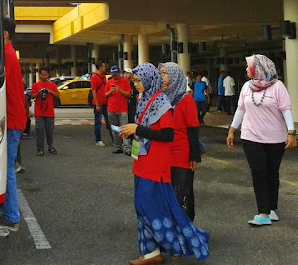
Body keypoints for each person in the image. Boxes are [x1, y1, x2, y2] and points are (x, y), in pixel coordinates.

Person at [120, 63, 210, 264]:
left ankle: (173, 245)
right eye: (134, 80)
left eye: (138, 80)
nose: (135, 84)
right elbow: (145, 128)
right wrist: (131, 130)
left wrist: (137, 130)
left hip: (161, 161)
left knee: (153, 205)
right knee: (148, 206)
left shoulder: (163, 101)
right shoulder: (147, 99)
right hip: (145, 160)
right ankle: (152, 253)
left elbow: (170, 134)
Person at [226, 54, 296, 226]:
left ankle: (271, 209)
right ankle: (263, 212)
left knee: (272, 173)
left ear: (259, 68)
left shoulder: (278, 86)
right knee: (259, 172)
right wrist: (232, 130)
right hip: (251, 136)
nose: (246, 69)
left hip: (275, 137)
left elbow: (286, 110)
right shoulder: (246, 87)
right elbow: (241, 110)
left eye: (248, 66)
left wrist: (291, 132)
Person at [0, 17, 27, 232]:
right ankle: (8, 212)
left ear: (4, 35)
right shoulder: (8, 54)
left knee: (8, 168)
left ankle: (11, 217)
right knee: (7, 167)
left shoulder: (7, 56)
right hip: (13, 118)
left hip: (12, 120)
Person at [159, 62, 202, 221]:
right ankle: (171, 232)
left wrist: (194, 156)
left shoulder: (185, 100)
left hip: (181, 155)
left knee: (181, 194)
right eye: (161, 73)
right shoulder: (161, 97)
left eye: (164, 73)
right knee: (166, 195)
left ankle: (185, 231)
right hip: (164, 154)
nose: (161, 77)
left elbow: (193, 129)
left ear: (174, 76)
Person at [31, 67, 59, 156]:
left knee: (50, 131)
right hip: (39, 112)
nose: (44, 76)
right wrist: (39, 93)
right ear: (39, 75)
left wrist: (50, 92)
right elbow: (32, 96)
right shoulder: (36, 85)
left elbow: (58, 95)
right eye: (42, 74)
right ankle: (40, 149)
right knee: (39, 131)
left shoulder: (52, 85)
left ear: (48, 75)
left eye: (45, 74)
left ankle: (50, 146)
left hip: (49, 112)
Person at [105, 65, 132, 155]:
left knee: (124, 129)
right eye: (113, 75)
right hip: (111, 108)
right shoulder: (109, 82)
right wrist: (111, 91)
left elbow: (128, 95)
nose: (115, 76)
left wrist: (119, 90)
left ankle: (127, 147)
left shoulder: (125, 82)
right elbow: (106, 95)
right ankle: (117, 146)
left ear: (120, 73)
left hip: (122, 109)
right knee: (115, 129)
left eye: (116, 74)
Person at [91, 60, 112, 146]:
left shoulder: (104, 77)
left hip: (105, 102)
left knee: (109, 121)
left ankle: (114, 139)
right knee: (98, 122)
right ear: (100, 67)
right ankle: (98, 139)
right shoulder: (95, 77)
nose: (105, 68)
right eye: (104, 66)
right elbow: (94, 91)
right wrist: (97, 103)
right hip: (99, 103)